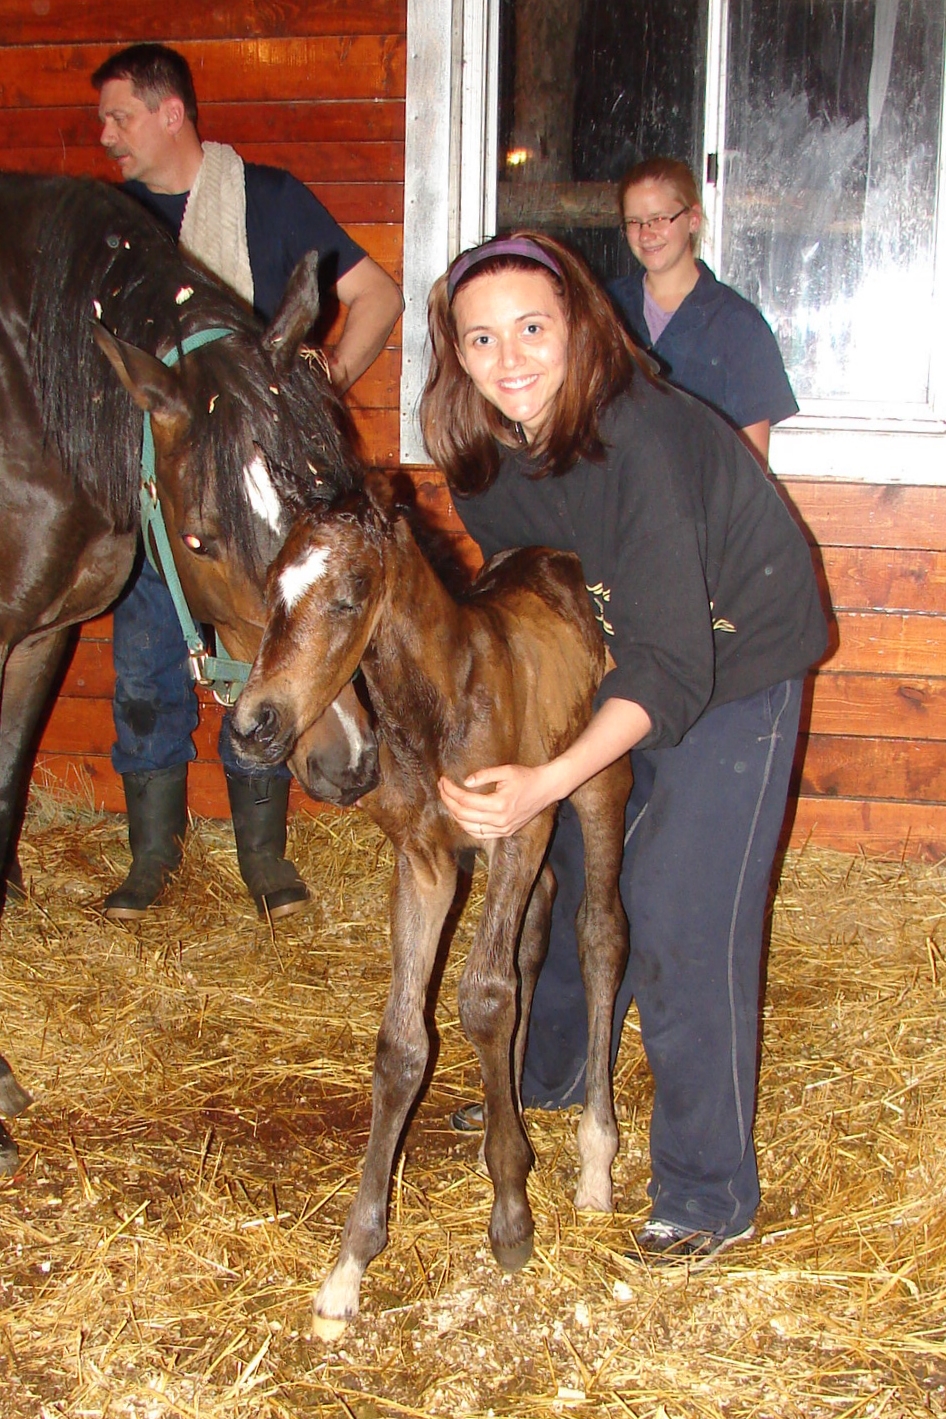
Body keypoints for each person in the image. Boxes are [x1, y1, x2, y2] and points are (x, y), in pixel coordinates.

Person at [421, 232, 826, 1265]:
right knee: (562, 863)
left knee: (678, 905)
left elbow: (674, 666)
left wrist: (551, 775)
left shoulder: (634, 436)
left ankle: (705, 1190)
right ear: (453, 353)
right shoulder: (481, 456)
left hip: (736, 654)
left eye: (531, 329)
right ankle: (552, 1070)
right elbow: (521, 596)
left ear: (579, 328)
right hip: (623, 644)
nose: (508, 359)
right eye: (481, 338)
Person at [91, 44, 403, 922]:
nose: (106, 135)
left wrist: (314, 389)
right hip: (156, 498)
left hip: (261, 503)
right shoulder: (111, 226)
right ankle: (152, 858)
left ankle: (263, 860)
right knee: (147, 670)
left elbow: (376, 295)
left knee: (262, 656)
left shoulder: (265, 199)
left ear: (170, 112)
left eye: (119, 115)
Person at [608, 156, 797, 466]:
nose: (646, 234)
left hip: (701, 508)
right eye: (634, 222)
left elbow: (753, 462)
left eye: (658, 219)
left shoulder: (739, 325)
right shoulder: (604, 309)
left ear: (692, 219)